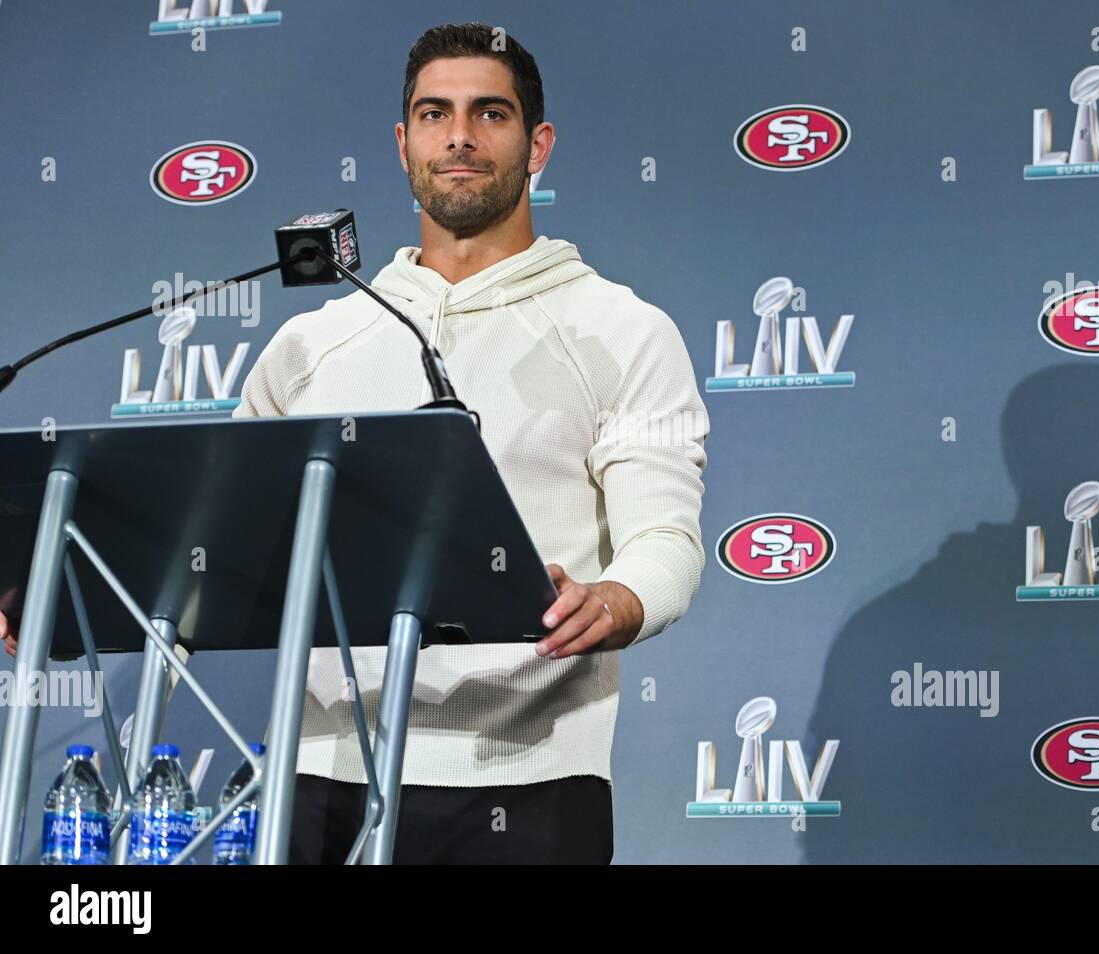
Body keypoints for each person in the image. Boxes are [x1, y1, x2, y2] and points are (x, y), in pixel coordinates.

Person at [4, 21, 709, 865]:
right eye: (433, 113)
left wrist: (618, 599)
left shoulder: (623, 330)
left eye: (490, 114)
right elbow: (209, 551)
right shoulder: (316, 343)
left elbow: (663, 541)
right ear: (402, 141)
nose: (459, 136)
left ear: (538, 144)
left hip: (531, 785)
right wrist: (69, 606)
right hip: (317, 783)